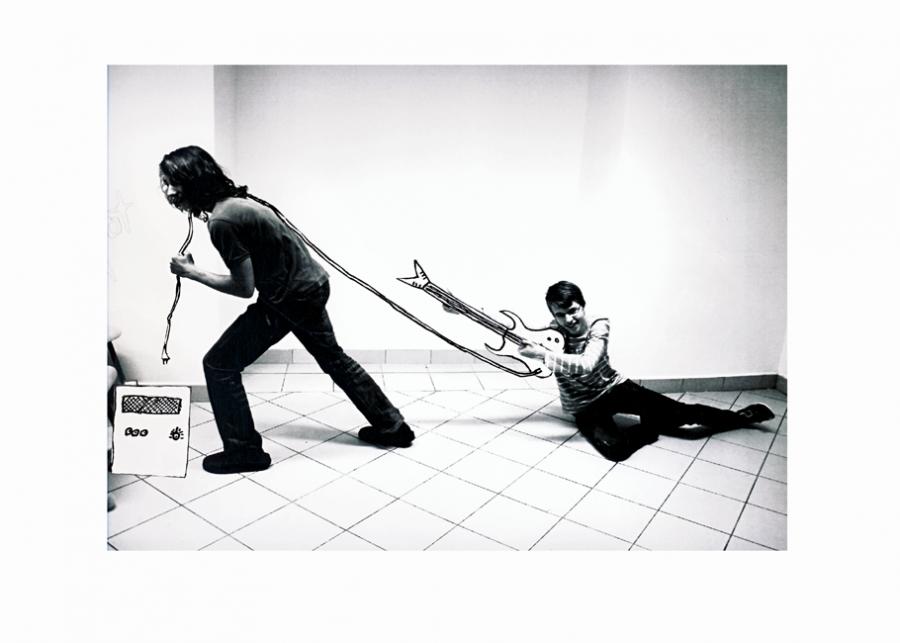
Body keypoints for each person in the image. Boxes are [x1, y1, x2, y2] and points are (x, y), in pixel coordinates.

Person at [159, 145, 414, 474]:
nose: (168, 191)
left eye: (173, 182)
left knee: (219, 363)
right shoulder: (236, 204)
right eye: (164, 183)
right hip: (310, 286)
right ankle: (393, 426)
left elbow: (243, 288)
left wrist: (191, 272)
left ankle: (244, 452)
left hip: (290, 298)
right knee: (334, 360)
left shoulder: (222, 221)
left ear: (194, 180)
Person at [517, 281, 774, 462]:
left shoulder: (599, 325)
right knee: (616, 451)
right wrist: (530, 349)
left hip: (614, 388)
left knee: (683, 415)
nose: (568, 319)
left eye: (572, 310)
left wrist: (542, 354)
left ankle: (740, 417)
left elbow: (587, 364)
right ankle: (650, 428)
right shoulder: (551, 334)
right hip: (584, 406)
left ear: (583, 305)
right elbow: (531, 348)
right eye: (560, 314)